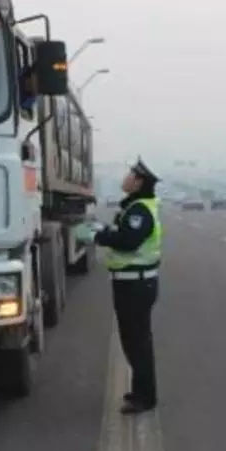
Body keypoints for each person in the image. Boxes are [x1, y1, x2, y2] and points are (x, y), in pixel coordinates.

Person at [76, 158, 162, 414]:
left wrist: (97, 236)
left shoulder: (140, 210)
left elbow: (129, 241)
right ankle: (140, 392)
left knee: (137, 343)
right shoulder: (135, 207)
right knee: (133, 341)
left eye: (130, 175)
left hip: (136, 285)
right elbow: (123, 233)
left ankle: (144, 397)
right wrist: (104, 229)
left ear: (138, 182)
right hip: (133, 284)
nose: (125, 178)